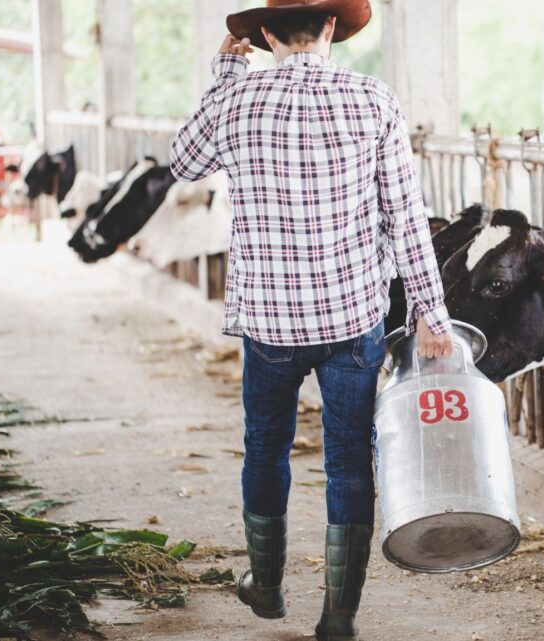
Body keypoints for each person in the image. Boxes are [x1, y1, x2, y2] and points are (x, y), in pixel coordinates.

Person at [169, 1, 453, 639]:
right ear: (330, 28)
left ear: (266, 35)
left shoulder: (237, 100)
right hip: (353, 318)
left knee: (265, 447)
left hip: (270, 323)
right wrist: (431, 312)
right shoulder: (373, 99)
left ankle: (267, 586)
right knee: (349, 459)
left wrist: (225, 72)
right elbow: (405, 215)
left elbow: (181, 162)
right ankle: (339, 617)